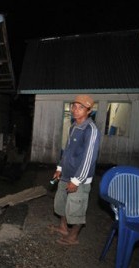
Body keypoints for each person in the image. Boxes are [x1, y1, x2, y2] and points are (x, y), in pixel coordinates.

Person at [49, 94, 101, 245]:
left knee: (76, 208)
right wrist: (59, 168)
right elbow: (67, 150)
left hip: (80, 178)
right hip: (66, 174)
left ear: (89, 111)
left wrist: (77, 180)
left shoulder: (91, 130)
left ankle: (73, 237)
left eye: (81, 108)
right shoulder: (73, 126)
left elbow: (89, 158)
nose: (76, 110)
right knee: (62, 202)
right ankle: (63, 228)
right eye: (74, 106)